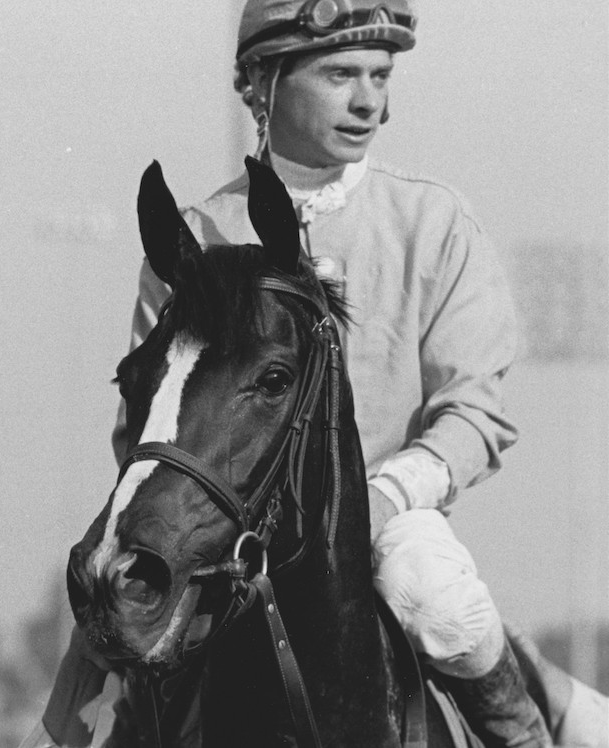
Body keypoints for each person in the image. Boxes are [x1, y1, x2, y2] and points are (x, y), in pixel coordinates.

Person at [38, 2, 607, 746]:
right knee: (95, 658)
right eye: (341, 74)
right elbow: (148, 419)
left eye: (380, 74)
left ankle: (528, 733)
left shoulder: (432, 222)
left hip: (389, 522)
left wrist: (389, 491)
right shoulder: (196, 237)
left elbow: (474, 409)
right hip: (223, 529)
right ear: (263, 84)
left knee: (434, 594)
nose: (369, 100)